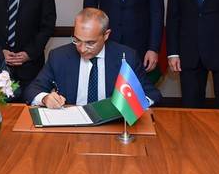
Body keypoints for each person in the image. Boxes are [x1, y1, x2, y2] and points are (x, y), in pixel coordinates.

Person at [26, 8, 161, 107]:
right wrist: (45, 98)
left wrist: (132, 104)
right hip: (72, 124)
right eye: (77, 40)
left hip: (113, 125)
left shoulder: (127, 57)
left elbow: (152, 94)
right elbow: (32, 90)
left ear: (106, 35)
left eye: (90, 43)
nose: (82, 49)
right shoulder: (59, 56)